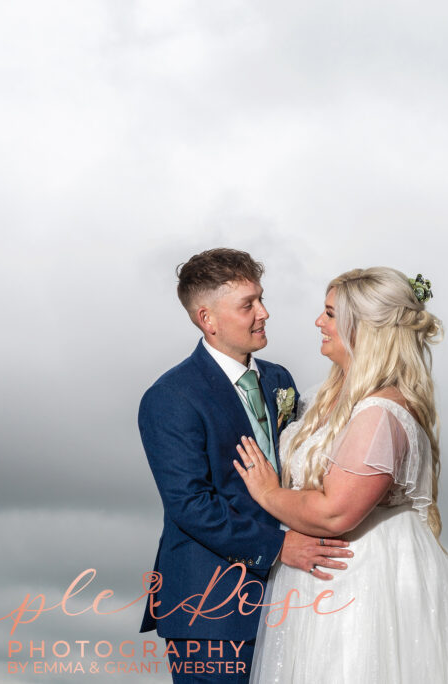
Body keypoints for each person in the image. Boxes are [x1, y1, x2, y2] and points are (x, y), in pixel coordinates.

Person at [234, 267, 448, 683]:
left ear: (364, 329)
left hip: (363, 584)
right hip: (323, 580)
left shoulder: (380, 412)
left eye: (330, 314)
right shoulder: (325, 396)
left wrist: (267, 492)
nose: (319, 322)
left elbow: (336, 512)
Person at [138, 248, 353, 683]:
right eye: (248, 305)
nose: (264, 313)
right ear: (208, 319)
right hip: (212, 608)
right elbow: (190, 505)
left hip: (293, 599)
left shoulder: (279, 380)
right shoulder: (170, 398)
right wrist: (277, 548)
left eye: (261, 298)